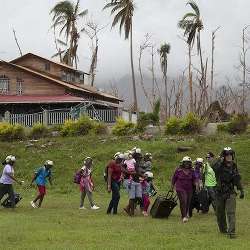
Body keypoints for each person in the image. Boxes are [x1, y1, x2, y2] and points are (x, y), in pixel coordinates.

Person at [212, 147, 244, 239]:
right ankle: (223, 229)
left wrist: (241, 190)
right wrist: (219, 158)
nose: (229, 156)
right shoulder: (219, 165)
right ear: (224, 156)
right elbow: (213, 167)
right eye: (227, 155)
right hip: (219, 192)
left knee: (231, 212)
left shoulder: (234, 165)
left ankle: (231, 232)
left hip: (230, 192)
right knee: (220, 213)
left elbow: (237, 178)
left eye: (230, 154)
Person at [171, 156, 198, 223]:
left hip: (189, 189)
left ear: (190, 163)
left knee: (188, 202)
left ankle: (185, 214)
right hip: (180, 188)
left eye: (188, 163)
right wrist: (172, 186)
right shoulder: (178, 170)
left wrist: (196, 184)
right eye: (185, 162)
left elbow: (194, 178)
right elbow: (174, 178)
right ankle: (184, 216)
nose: (186, 164)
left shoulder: (192, 170)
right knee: (184, 200)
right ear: (183, 163)